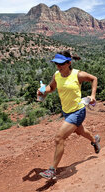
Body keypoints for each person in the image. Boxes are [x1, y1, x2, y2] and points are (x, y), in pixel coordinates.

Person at [37, 50, 101, 179]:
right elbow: (52, 87)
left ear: (68, 63)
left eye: (61, 64)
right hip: (66, 111)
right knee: (80, 131)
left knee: (59, 138)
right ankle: (95, 140)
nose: (58, 67)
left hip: (78, 111)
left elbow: (94, 79)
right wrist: (43, 90)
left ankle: (52, 170)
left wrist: (93, 95)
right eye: (56, 64)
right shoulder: (57, 75)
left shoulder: (77, 75)